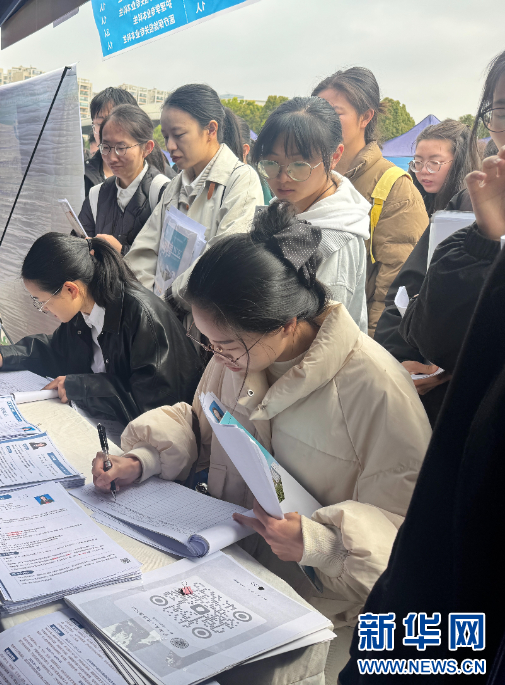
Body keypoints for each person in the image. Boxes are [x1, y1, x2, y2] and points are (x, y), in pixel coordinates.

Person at [93, 201, 430, 681]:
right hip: (229, 573)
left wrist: (319, 544)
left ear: (286, 323)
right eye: (207, 342)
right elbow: (202, 427)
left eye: (227, 345)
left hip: (316, 614)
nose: (217, 357)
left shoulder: (376, 390)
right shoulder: (235, 358)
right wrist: (142, 458)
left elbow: (410, 541)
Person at [339, 145, 505, 684]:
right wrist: (485, 242)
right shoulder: (476, 228)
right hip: (459, 493)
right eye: (499, 118)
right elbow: (427, 326)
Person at [373, 50, 505, 425]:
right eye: (501, 111)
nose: (424, 170)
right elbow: (416, 306)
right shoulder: (468, 207)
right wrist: (483, 240)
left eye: (435, 162)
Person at [0, 233, 203, 424]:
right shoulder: (83, 311)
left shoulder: (141, 317)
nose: (43, 309)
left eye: (43, 301)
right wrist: (7, 355)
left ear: (71, 290)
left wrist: (82, 387)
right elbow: (58, 350)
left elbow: (152, 404)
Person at [123, 83, 263, 315]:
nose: (170, 146)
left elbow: (223, 262)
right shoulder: (176, 184)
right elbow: (144, 251)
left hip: (205, 324)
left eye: (178, 135)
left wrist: (166, 302)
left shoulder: (242, 181)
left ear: (211, 130)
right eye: (166, 137)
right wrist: (148, 304)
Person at [313, 67, 428, 336]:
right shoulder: (309, 176)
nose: (322, 122)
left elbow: (396, 285)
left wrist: (372, 347)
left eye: (335, 113)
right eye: (317, 112)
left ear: (365, 117)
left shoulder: (394, 186)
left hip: (355, 337)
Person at [250, 96, 371, 332]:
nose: (283, 178)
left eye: (299, 166)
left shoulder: (335, 238)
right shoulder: (284, 206)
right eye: (271, 163)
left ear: (335, 156)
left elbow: (325, 334)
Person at [78, 104, 171, 255]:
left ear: (147, 148)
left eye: (121, 148)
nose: (112, 157)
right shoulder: (96, 195)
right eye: (106, 147)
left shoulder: (164, 193)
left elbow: (168, 259)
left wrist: (120, 252)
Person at [409, 119, 481, 215]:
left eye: (434, 163)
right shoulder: (412, 201)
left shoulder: (472, 206)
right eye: (418, 162)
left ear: (459, 163)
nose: (424, 171)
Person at [85, 87, 140, 196]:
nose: (107, 130)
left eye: (116, 123)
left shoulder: (158, 178)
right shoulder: (81, 176)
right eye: (100, 124)